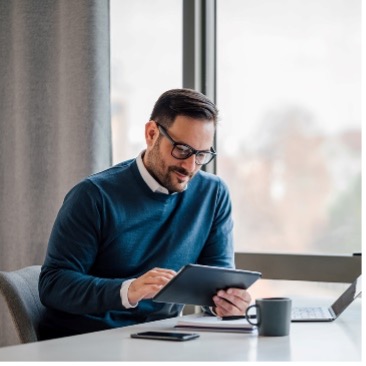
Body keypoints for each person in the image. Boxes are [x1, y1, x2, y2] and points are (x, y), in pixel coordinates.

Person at [38, 88, 251, 339]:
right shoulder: (93, 196)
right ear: (151, 134)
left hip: (161, 338)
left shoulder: (213, 195)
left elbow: (216, 284)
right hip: (85, 339)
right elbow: (53, 285)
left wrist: (228, 302)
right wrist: (129, 290)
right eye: (182, 150)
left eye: (201, 154)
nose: (190, 166)